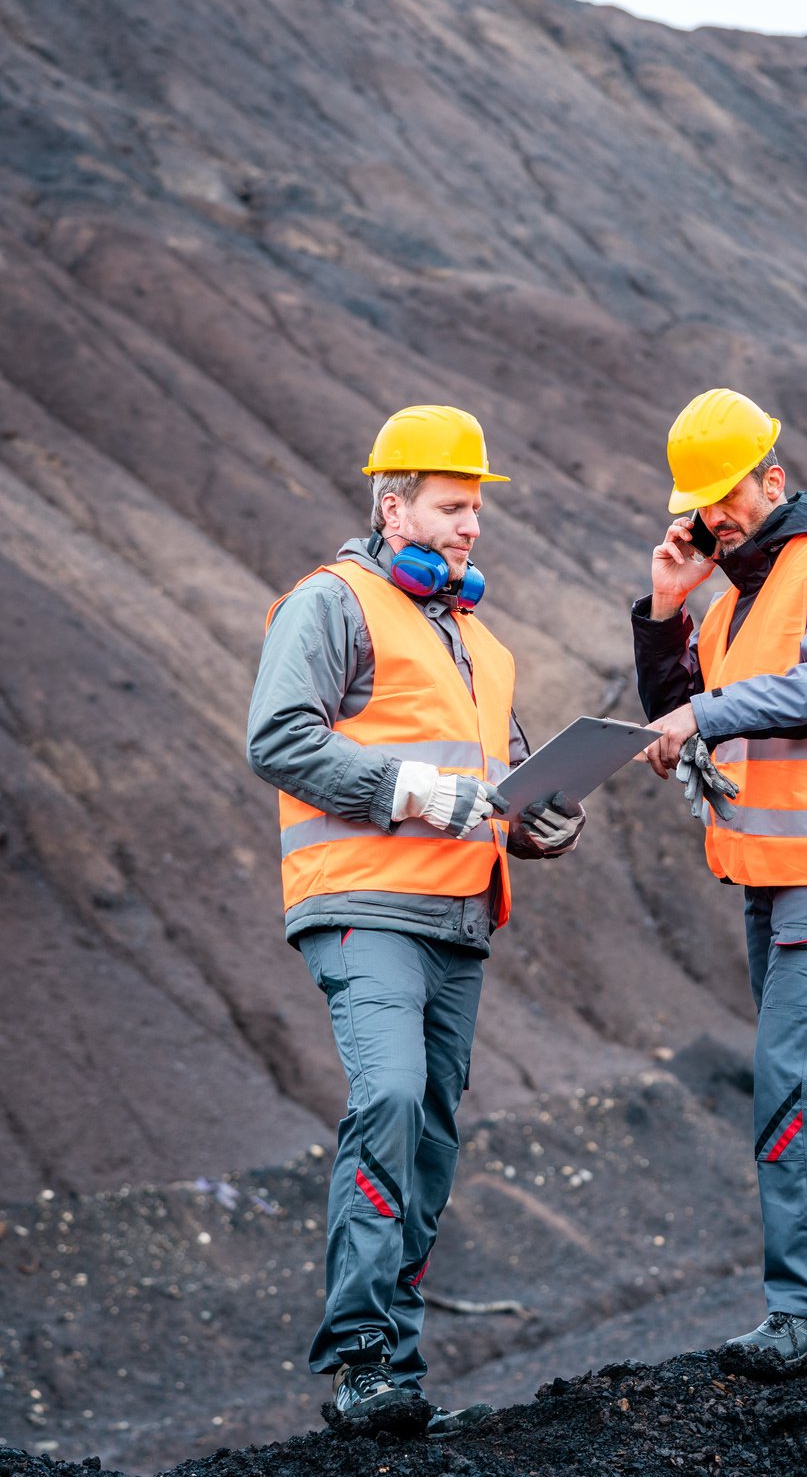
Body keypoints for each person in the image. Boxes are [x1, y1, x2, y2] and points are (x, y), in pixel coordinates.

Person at [246, 404, 585, 1436]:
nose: (469, 525)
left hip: (457, 919)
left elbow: (494, 786)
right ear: (392, 507)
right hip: (361, 904)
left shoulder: (481, 642)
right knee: (389, 1096)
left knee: (430, 1137)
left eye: (475, 508)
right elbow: (278, 737)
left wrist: (542, 821)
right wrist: (410, 790)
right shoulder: (330, 603)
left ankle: (393, 1363)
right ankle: (356, 1358)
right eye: (450, 506)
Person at [629, 387, 807, 1370]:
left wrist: (702, 719)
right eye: (702, 503)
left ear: (774, 478)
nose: (715, 516)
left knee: (795, 1071)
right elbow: (682, 706)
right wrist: (666, 612)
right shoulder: (735, 601)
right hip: (770, 869)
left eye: (728, 495)